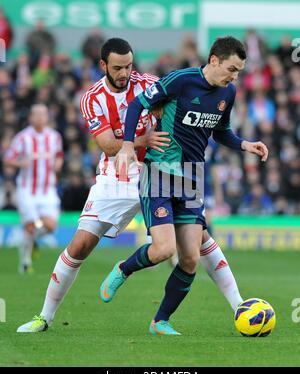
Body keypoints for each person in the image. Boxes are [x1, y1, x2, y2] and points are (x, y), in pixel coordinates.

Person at [17, 38, 243, 333]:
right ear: (103, 66)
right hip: (118, 176)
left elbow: (180, 102)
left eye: (129, 66)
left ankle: (241, 307)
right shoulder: (92, 98)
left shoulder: (148, 82)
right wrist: (141, 140)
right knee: (80, 245)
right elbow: (108, 146)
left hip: (163, 169)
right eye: (118, 68)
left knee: (198, 239)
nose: (125, 73)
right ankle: (44, 317)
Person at [100, 36, 269, 335]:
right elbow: (139, 103)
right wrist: (127, 145)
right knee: (164, 249)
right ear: (214, 60)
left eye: (240, 71)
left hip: (192, 177)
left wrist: (245, 144)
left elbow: (221, 132)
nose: (235, 76)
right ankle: (123, 269)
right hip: (161, 171)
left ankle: (160, 321)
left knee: (190, 258)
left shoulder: (227, 93)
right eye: (232, 68)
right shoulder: (181, 80)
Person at [4, 104, 64, 273]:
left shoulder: (54, 137)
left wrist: (58, 164)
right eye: (36, 114)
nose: (39, 118)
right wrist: (20, 163)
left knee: (50, 226)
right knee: (32, 225)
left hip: (47, 189)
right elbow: (8, 158)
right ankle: (25, 262)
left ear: (47, 117)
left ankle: (31, 243)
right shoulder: (22, 138)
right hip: (27, 190)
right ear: (30, 117)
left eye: (43, 114)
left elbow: (59, 154)